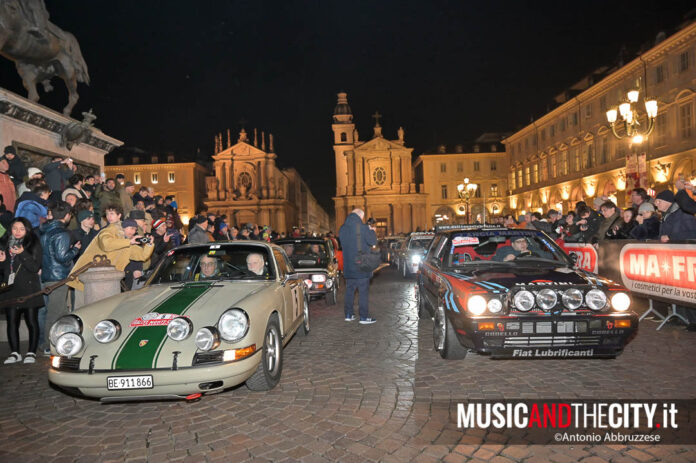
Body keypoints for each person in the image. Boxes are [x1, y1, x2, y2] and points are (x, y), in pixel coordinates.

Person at [0, 217, 43, 364]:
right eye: (14, 228)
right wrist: (2, 261)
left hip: (29, 288)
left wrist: (23, 253)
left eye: (21, 229)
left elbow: (34, 267)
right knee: (12, 321)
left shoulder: (33, 243)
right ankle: (15, 353)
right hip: (11, 289)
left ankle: (31, 351)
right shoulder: (5, 243)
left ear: (27, 230)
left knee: (31, 320)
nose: (17, 232)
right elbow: (5, 269)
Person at [40, 201, 81, 352]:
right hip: (58, 277)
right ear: (67, 216)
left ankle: (66, 340)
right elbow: (62, 257)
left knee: (62, 311)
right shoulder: (62, 233)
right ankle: (47, 346)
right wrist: (75, 249)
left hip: (48, 275)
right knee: (54, 312)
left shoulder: (45, 232)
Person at [339, 208, 377, 324]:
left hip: (348, 265)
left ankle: (349, 314)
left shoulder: (342, 229)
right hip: (361, 265)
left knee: (350, 290)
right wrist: (372, 231)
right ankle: (364, 317)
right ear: (361, 216)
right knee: (363, 290)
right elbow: (373, 242)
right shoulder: (364, 228)